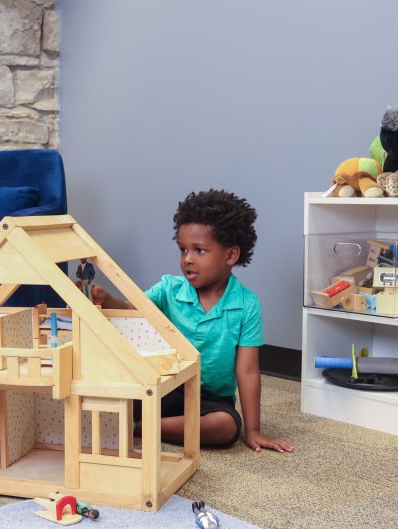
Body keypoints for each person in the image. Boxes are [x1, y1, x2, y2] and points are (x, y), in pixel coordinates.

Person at [93, 190, 293, 453]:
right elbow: (133, 310)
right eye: (183, 249)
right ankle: (140, 418)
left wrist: (253, 430)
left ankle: (139, 427)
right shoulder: (168, 288)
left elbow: (247, 371)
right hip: (165, 388)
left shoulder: (247, 305)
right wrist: (108, 300)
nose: (187, 259)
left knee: (226, 426)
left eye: (199, 250)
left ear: (230, 256)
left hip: (209, 399)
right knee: (109, 397)